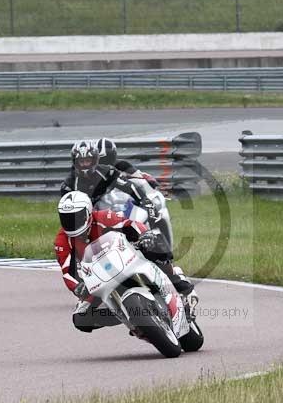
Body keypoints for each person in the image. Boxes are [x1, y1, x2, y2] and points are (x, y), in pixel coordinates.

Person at [54, 191, 197, 333]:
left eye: (76, 217)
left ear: (88, 213)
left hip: (127, 255)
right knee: (81, 319)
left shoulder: (104, 217)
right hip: (99, 276)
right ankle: (132, 319)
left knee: (154, 242)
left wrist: (144, 235)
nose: (71, 223)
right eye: (66, 218)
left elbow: (131, 224)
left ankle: (180, 283)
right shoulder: (62, 240)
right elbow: (67, 271)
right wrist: (78, 287)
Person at [60, 140, 160, 222]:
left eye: (88, 161)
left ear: (95, 160)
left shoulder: (109, 171)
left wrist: (146, 202)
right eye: (81, 161)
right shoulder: (68, 185)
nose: (85, 165)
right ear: (75, 162)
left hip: (110, 210)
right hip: (87, 219)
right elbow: (68, 214)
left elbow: (130, 186)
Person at [93, 137, 160, 189]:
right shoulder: (90, 168)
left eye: (107, 157)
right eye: (101, 159)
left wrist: (150, 181)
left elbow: (140, 176)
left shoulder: (122, 165)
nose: (104, 161)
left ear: (113, 155)